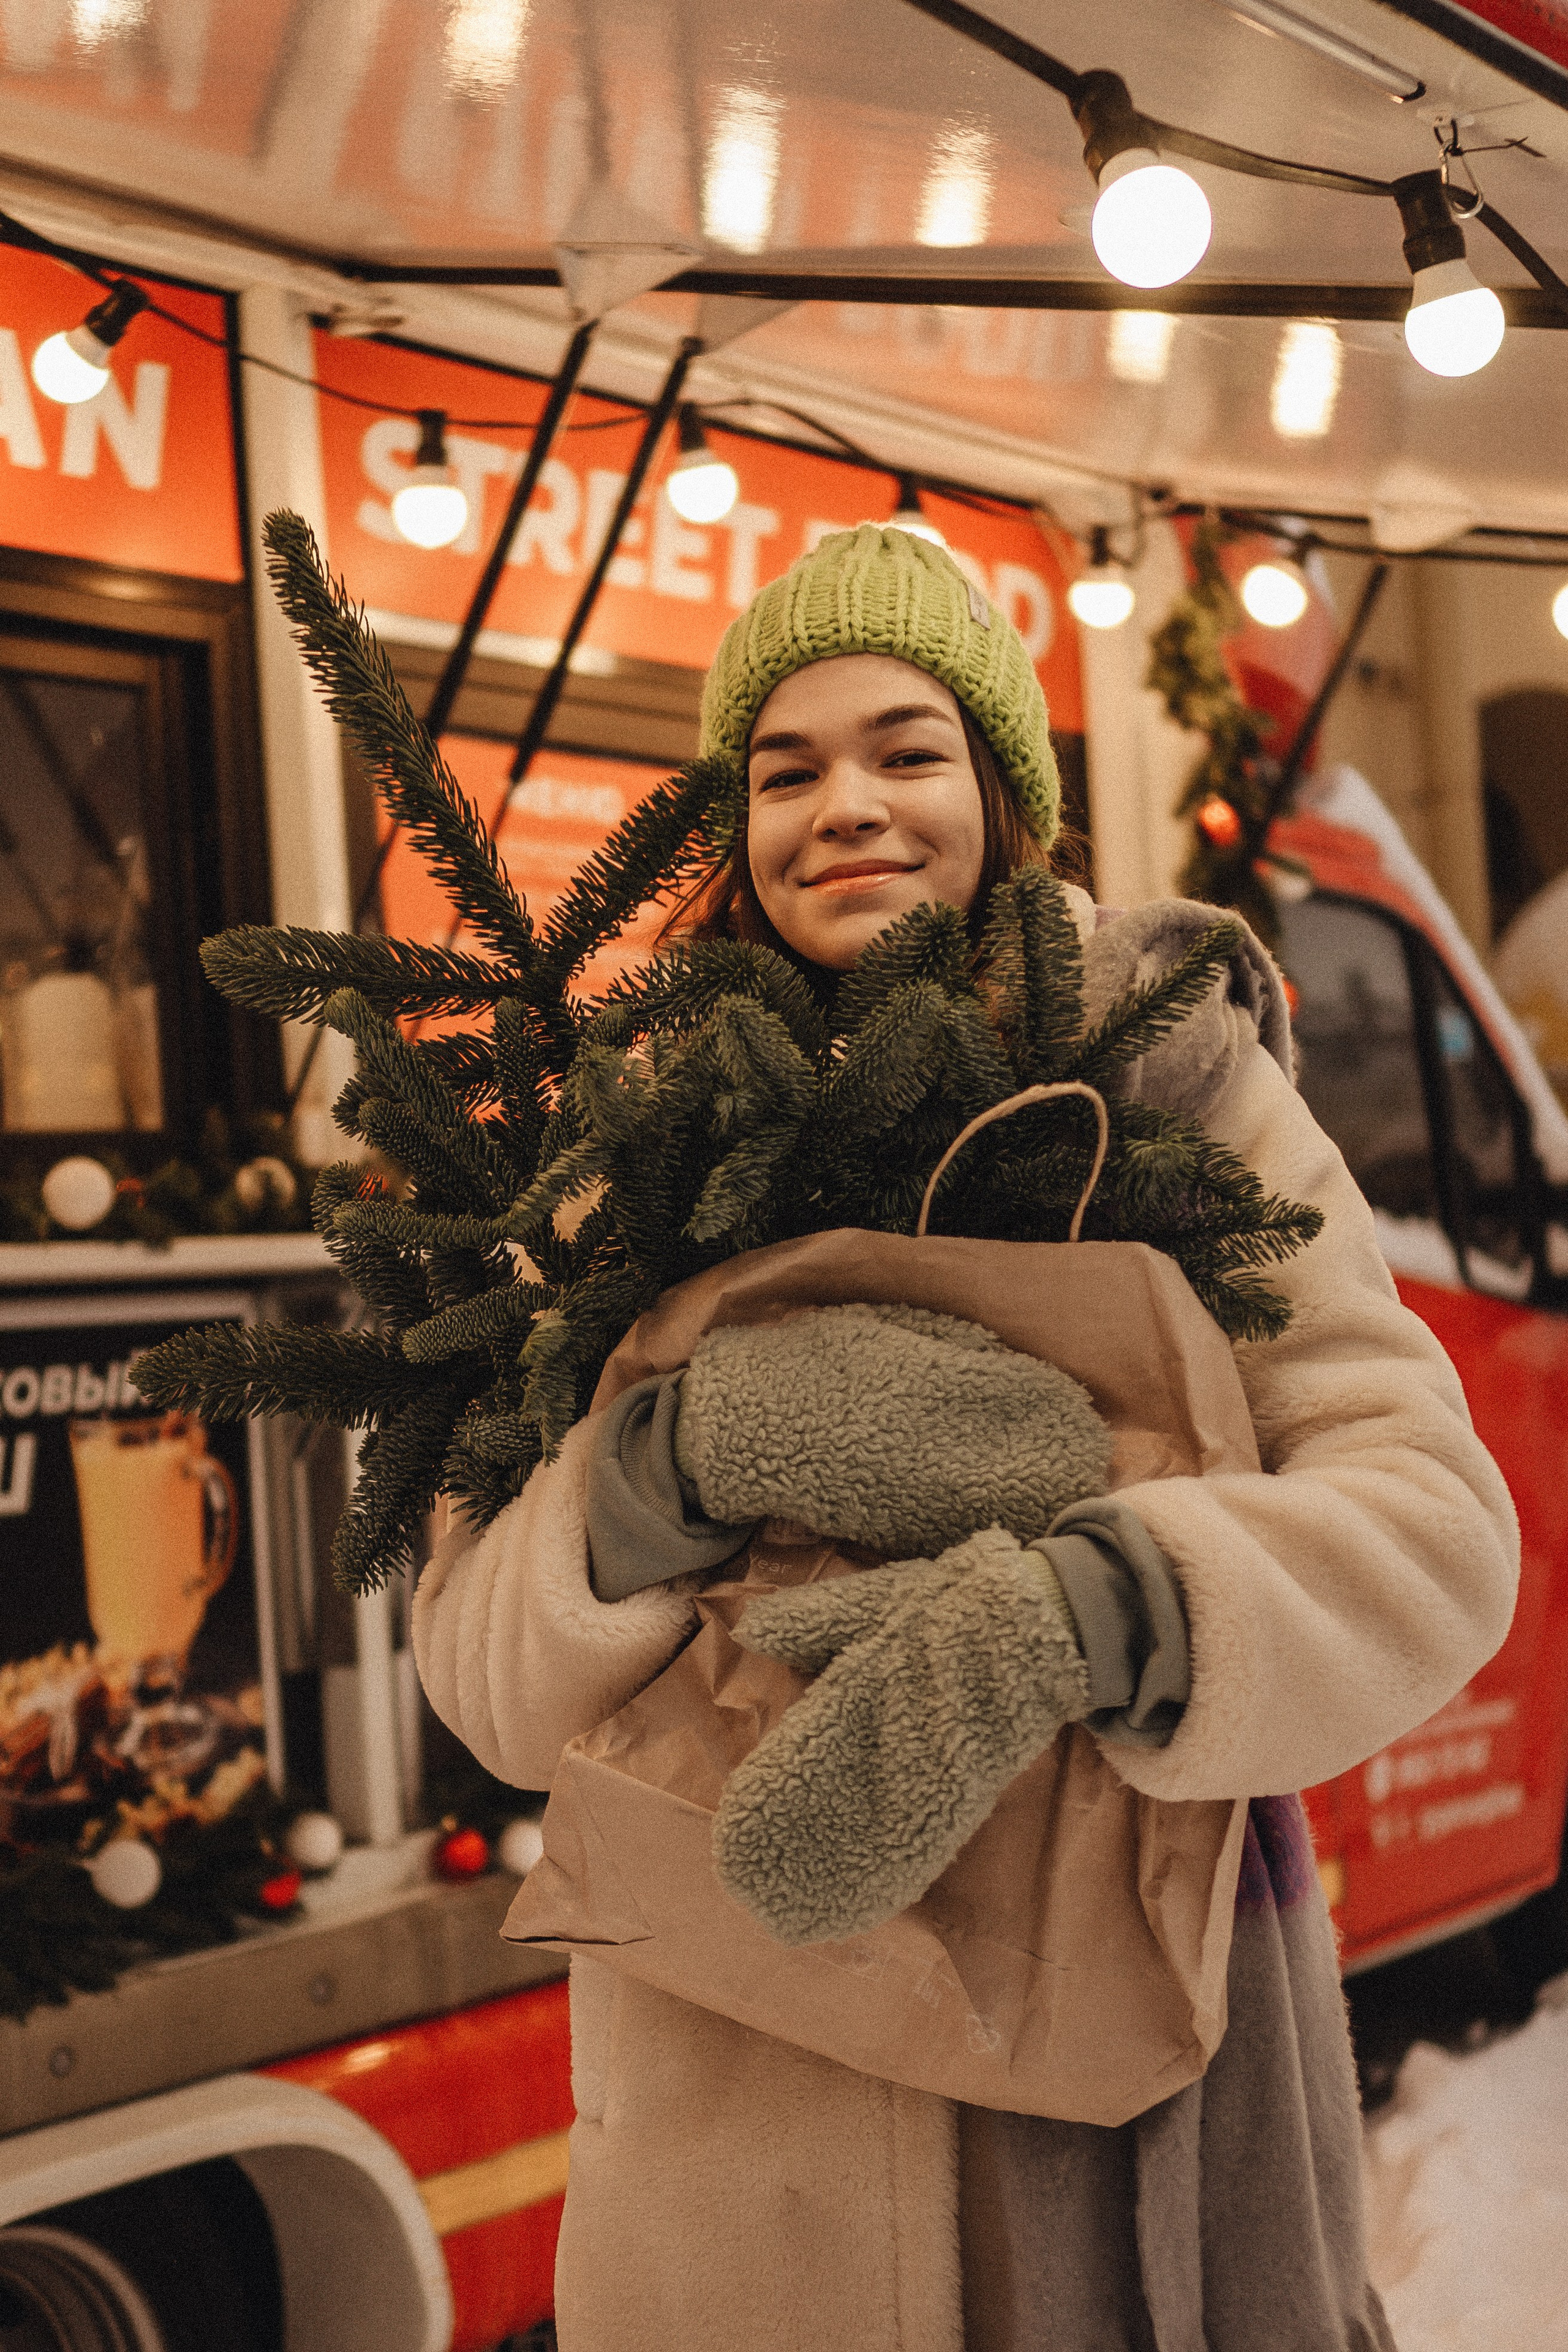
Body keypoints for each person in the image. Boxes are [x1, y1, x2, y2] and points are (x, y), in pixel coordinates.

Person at [413, 524, 1518, 2352]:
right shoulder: (629, 1166)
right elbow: (484, 1677)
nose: (845, 804)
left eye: (906, 750)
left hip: (1134, 2124)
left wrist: (1097, 1612)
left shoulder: (1182, 1093)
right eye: (785, 769)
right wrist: (663, 1467)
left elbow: (1435, 1532)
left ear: (1006, 794)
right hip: (735, 2123)